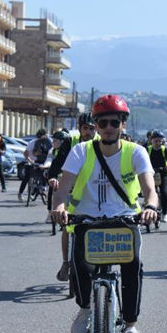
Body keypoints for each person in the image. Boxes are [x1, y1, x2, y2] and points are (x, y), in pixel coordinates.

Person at [51, 94, 159, 333]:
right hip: (87, 218)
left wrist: (151, 207)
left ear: (123, 125)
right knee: (79, 262)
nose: (109, 128)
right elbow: (63, 188)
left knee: (133, 266)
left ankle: (131, 327)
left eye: (115, 122)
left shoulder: (137, 152)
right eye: (103, 123)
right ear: (96, 126)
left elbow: (149, 189)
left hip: (124, 218)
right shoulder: (81, 151)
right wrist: (59, 206)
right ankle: (85, 309)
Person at [48, 113, 97, 282]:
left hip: (92, 191)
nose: (89, 132)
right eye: (85, 128)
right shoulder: (71, 142)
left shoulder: (101, 143)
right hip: (71, 190)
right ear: (79, 128)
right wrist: (53, 176)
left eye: (92, 128)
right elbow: (58, 161)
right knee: (67, 228)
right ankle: (65, 262)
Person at [18, 128, 52, 201]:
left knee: (43, 174)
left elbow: (50, 152)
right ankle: (20, 193)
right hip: (31, 161)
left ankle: (40, 189)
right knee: (27, 177)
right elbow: (26, 154)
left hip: (41, 161)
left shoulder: (48, 142)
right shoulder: (32, 143)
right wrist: (31, 161)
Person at [147, 130, 167, 223]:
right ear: (151, 140)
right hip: (150, 173)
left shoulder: (164, 149)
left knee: (164, 192)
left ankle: (164, 213)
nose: (158, 143)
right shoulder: (147, 149)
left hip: (163, 173)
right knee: (149, 192)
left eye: (160, 141)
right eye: (156, 141)